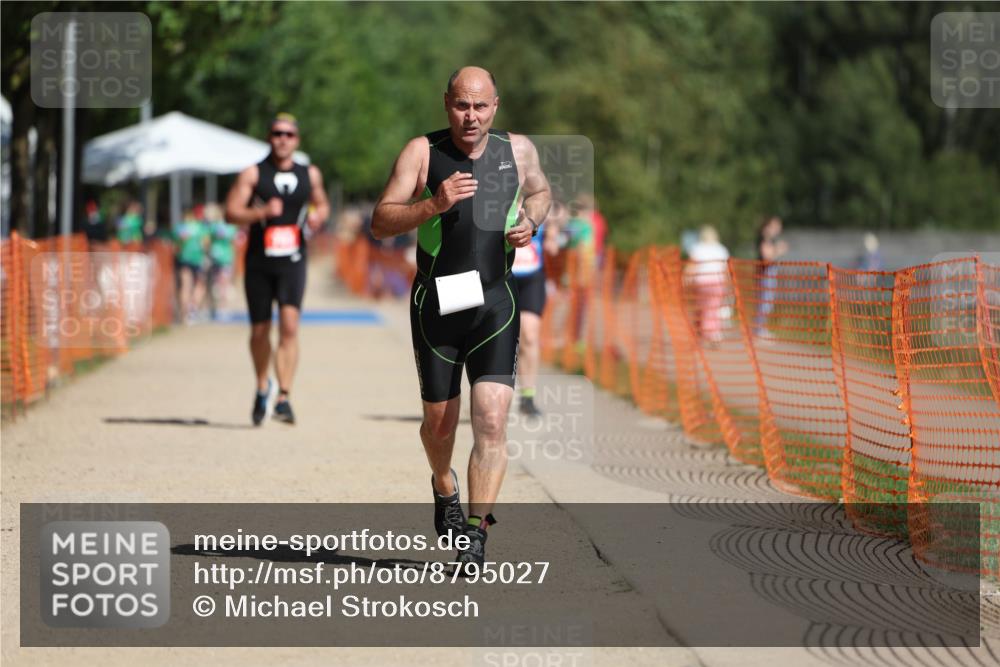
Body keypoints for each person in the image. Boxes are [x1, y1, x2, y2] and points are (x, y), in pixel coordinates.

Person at [371, 66, 551, 569]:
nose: (470, 116)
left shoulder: (518, 150)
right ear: (446, 103)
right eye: (460, 105)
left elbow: (540, 192)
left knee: (491, 418)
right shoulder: (422, 152)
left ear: (496, 106)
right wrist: (433, 203)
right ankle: (443, 484)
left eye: (480, 106)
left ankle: (476, 531)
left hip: (496, 301)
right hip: (438, 303)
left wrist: (530, 222)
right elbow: (381, 221)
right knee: (439, 425)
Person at [224, 113, 330, 426]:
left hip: (293, 260)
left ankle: (283, 396)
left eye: (289, 134)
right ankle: (262, 385)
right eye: (277, 133)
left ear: (297, 140)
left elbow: (322, 203)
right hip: (259, 261)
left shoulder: (309, 174)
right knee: (259, 330)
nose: (282, 139)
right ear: (269, 137)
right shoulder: (253, 173)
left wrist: (318, 216)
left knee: (289, 327)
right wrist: (260, 212)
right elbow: (230, 212)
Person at [512, 200, 564, 417]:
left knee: (530, 336)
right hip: (503, 276)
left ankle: (528, 397)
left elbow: (552, 245)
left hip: (532, 278)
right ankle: (488, 395)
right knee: (500, 338)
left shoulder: (540, 206)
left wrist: (554, 236)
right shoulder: (497, 202)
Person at [685, 225, 729, 345]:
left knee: (703, 309)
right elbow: (725, 269)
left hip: (701, 283)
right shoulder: (721, 249)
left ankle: (706, 332)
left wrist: (686, 278)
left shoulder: (697, 248)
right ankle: (712, 333)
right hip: (717, 283)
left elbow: (691, 266)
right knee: (712, 309)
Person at [173, 207, 209, 324]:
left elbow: (176, 245)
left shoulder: (180, 228)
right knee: (200, 285)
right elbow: (205, 244)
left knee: (185, 286)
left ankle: (184, 315)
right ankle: (192, 308)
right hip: (198, 259)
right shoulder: (201, 228)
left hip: (183, 259)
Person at [754, 215, 788, 338]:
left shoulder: (769, 240)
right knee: (765, 302)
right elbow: (767, 257)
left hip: (768, 273)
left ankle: (760, 329)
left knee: (767, 302)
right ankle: (759, 330)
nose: (778, 228)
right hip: (765, 274)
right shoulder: (765, 239)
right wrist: (779, 250)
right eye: (775, 226)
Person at [205, 203, 236, 320]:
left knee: (215, 283)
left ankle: (215, 309)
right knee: (223, 284)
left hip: (215, 257)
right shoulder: (230, 227)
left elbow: (207, 241)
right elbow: (232, 243)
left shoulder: (212, 227)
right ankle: (222, 309)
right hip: (225, 259)